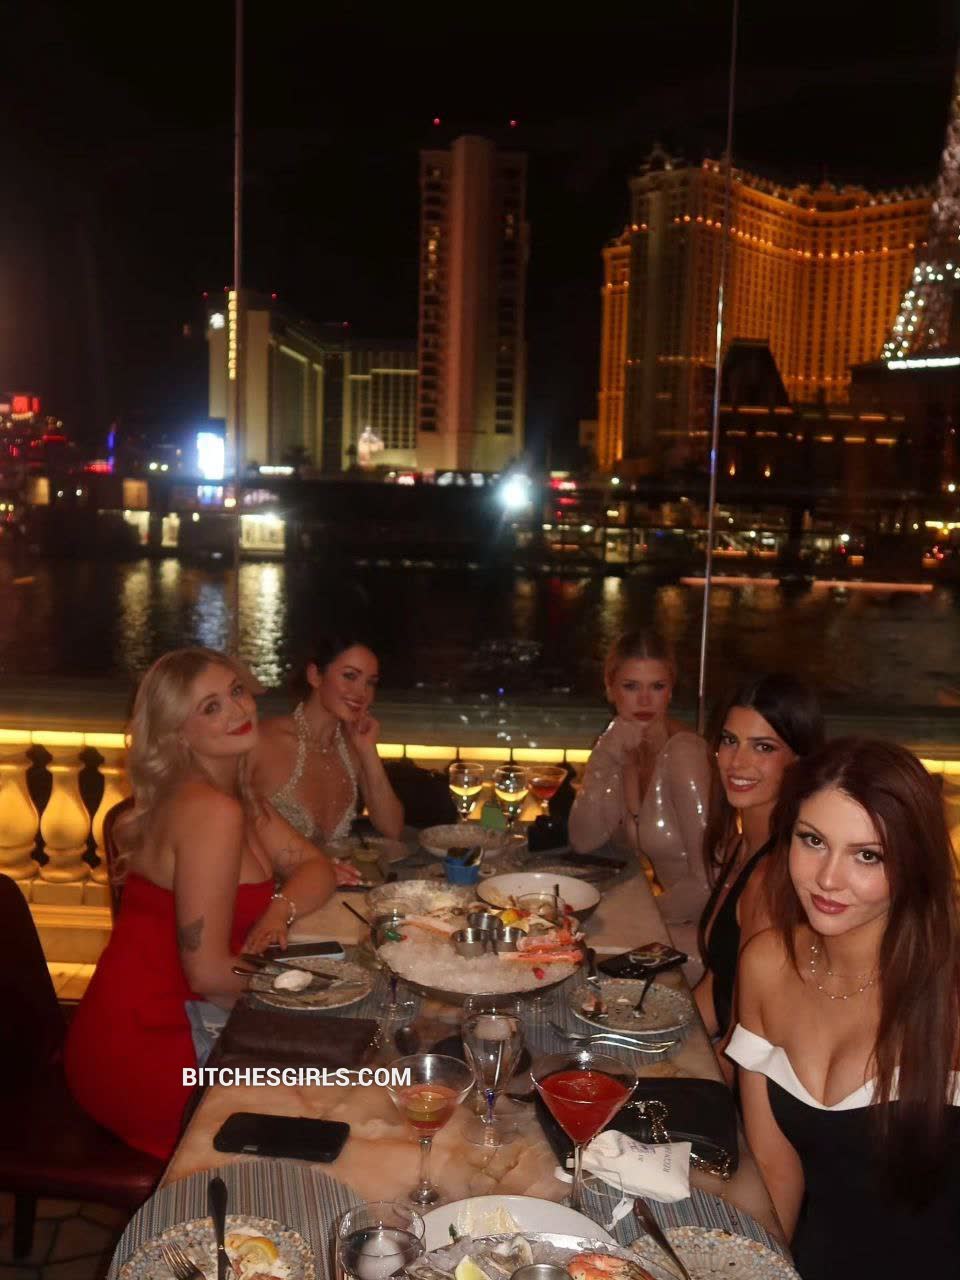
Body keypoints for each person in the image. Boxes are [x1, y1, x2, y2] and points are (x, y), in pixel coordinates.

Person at [64, 647, 355, 1160]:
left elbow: (316, 867)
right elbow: (210, 975)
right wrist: (307, 997)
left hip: (174, 1023)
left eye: (236, 692)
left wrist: (278, 910)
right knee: (340, 1097)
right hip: (157, 1047)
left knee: (345, 1072)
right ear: (179, 734)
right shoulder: (211, 812)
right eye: (210, 707)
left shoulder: (236, 797)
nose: (238, 710)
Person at [727, 739, 960, 1278]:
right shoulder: (766, 964)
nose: (828, 878)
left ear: (914, 862)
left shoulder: (949, 996)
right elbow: (776, 1172)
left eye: (867, 855)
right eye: (812, 840)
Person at [693, 674, 824, 1045]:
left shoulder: (771, 877)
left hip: (744, 1068)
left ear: (798, 760)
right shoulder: (743, 844)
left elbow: (750, 1038)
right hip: (719, 1049)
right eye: (730, 740)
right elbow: (718, 983)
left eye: (763, 747)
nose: (737, 762)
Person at [568, 631, 712, 960]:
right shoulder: (627, 747)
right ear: (610, 688)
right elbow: (584, 839)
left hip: (713, 928)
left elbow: (708, 882)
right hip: (678, 918)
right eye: (632, 687)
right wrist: (605, 754)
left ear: (670, 690)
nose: (645, 701)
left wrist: (640, 915)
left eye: (657, 687)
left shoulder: (685, 754)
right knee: (568, 941)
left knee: (584, 951)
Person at [251, 634, 403, 843]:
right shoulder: (263, 740)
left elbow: (392, 828)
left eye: (370, 683)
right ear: (315, 676)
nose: (362, 692)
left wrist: (368, 751)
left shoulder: (352, 748)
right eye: (350, 676)